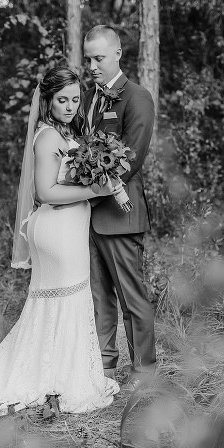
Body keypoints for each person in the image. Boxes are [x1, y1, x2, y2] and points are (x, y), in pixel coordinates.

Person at [0, 66, 120, 418]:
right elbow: (46, 192)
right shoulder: (49, 137)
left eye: (75, 99)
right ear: (48, 101)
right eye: (62, 100)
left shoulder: (65, 133)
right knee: (68, 298)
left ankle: (56, 373)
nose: (70, 106)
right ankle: (59, 378)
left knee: (57, 303)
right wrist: (96, 190)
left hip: (65, 227)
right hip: (57, 230)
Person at [82, 25, 156, 390]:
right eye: (88, 59)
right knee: (98, 297)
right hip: (87, 216)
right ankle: (105, 369)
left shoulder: (137, 97)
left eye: (98, 58)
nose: (92, 66)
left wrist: (85, 186)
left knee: (131, 298)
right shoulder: (88, 98)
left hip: (120, 215)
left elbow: (131, 159)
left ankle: (144, 373)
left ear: (117, 53)